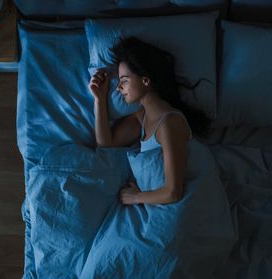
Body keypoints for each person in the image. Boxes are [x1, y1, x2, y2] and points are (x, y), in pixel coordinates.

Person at [88, 36, 211, 207]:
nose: (118, 87)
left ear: (145, 80)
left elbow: (173, 192)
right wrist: (99, 99)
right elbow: (106, 144)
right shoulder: (142, 116)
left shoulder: (169, 122)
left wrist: (135, 197)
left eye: (124, 80)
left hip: (181, 206)